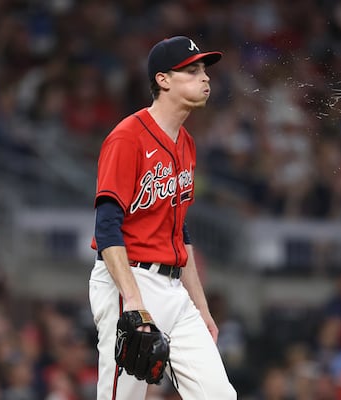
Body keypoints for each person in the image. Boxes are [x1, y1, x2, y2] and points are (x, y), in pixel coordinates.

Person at [87, 36, 237, 399]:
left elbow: (178, 230)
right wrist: (135, 302)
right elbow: (106, 228)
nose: (205, 78)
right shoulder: (127, 138)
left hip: (175, 289)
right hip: (130, 279)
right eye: (192, 70)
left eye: (204, 70)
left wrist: (201, 308)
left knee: (218, 395)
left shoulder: (185, 142)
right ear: (163, 80)